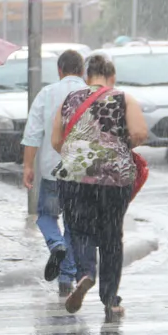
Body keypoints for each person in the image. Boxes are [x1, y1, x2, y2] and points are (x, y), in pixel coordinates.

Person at [50, 55, 147, 319]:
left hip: (74, 175)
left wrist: (79, 155)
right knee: (111, 236)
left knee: (79, 230)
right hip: (113, 177)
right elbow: (140, 133)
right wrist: (117, 147)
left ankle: (85, 274)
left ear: (86, 75)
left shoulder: (69, 99)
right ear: (111, 77)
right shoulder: (123, 98)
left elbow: (56, 140)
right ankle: (110, 300)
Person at [21, 50, 87, 296]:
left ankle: (56, 244)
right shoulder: (90, 95)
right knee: (73, 222)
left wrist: (28, 166)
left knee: (46, 216)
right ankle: (66, 279)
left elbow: (33, 133)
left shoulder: (47, 94)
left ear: (60, 70)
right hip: (82, 171)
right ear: (82, 71)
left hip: (52, 170)